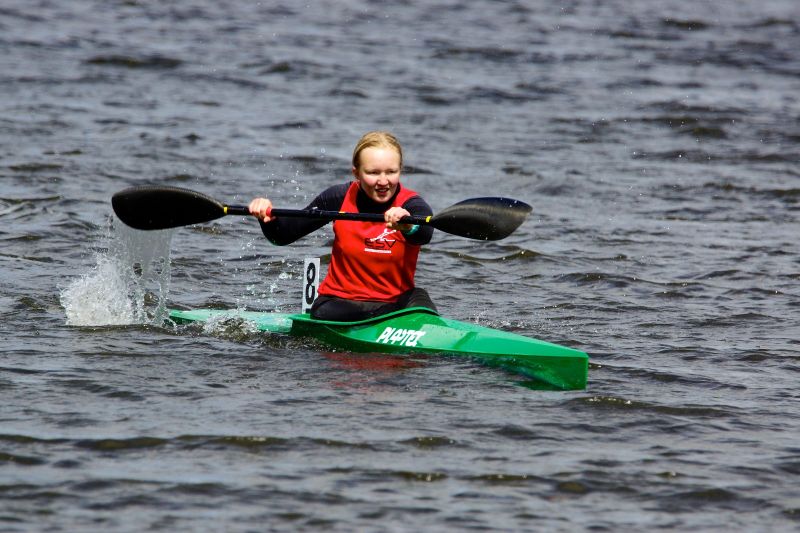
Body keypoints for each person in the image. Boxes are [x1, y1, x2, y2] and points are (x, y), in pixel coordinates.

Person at [248, 131, 437, 321]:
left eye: (391, 172)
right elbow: (282, 236)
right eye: (373, 172)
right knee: (323, 312)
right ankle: (391, 318)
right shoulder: (338, 198)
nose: (383, 181)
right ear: (356, 172)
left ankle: (406, 320)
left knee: (420, 299)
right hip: (340, 303)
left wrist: (408, 225)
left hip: (396, 301)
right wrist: (267, 217)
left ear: (400, 170)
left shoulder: (411, 204)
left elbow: (425, 234)